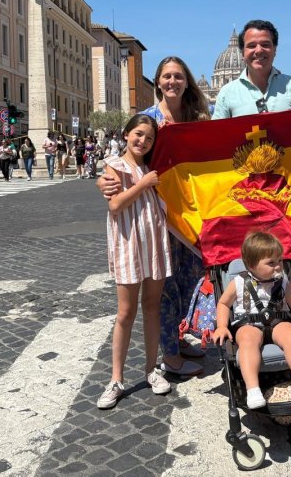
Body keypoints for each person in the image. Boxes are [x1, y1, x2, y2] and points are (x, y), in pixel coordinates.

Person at [139, 56, 209, 375]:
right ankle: (168, 354)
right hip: (159, 214)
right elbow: (128, 157)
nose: (172, 82)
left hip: (192, 211)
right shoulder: (147, 119)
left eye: (178, 76)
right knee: (166, 282)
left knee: (191, 277)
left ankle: (179, 336)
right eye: (166, 76)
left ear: (187, 82)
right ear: (158, 81)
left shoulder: (198, 119)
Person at [97, 114, 172, 409]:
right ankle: (116, 379)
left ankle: (151, 369)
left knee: (152, 307)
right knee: (125, 313)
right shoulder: (114, 165)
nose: (143, 141)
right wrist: (144, 183)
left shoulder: (151, 165)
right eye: (138, 134)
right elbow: (115, 205)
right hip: (128, 243)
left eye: (150, 137)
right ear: (127, 134)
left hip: (153, 241)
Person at [213, 231, 291, 411]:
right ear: (251, 265)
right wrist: (221, 326)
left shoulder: (283, 283)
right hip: (248, 323)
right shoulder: (239, 282)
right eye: (271, 263)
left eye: (280, 261)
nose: (278, 266)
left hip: (278, 321)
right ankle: (253, 389)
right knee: (247, 340)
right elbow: (224, 303)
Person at [212, 20, 291, 118]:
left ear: (275, 50)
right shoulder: (227, 93)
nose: (258, 50)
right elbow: (217, 132)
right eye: (252, 46)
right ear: (242, 53)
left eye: (265, 45)